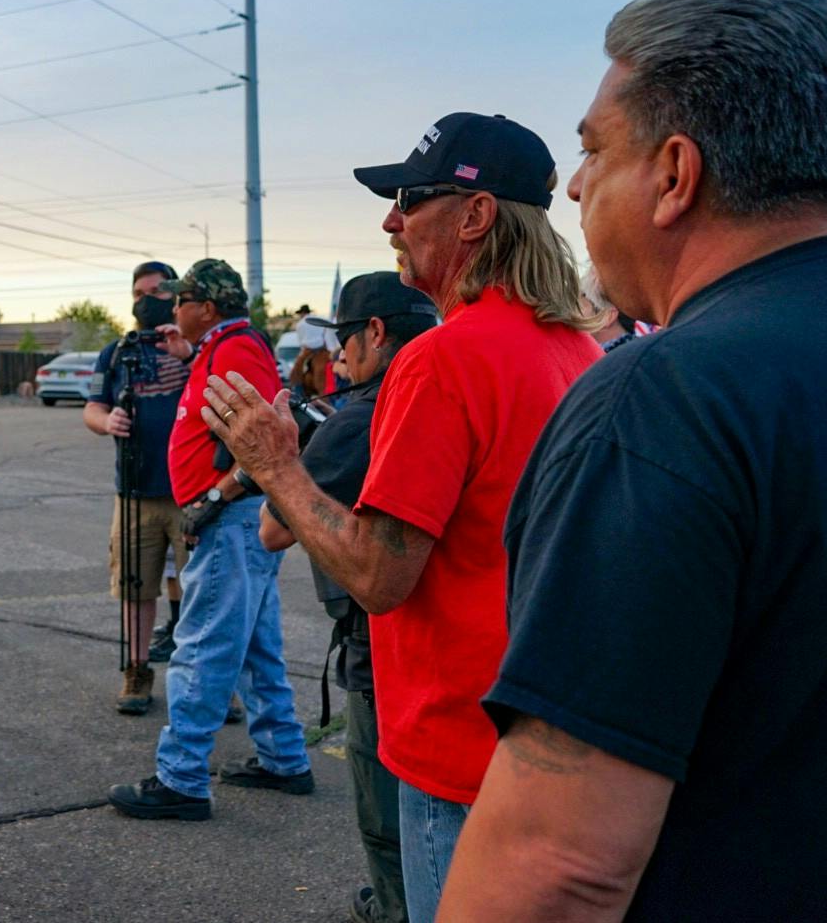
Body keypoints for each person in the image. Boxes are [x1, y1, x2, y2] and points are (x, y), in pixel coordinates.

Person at [438, 0, 827, 921]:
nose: (577, 183)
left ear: (674, 174)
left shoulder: (665, 400)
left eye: (592, 149)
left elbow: (557, 863)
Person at [205, 113, 600, 922]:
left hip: (457, 752)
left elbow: (379, 575)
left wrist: (275, 463)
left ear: (474, 215)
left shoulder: (443, 358)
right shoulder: (577, 349)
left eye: (406, 199)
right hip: (550, 741)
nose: (389, 221)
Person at [260, 272, 437, 923]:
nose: (337, 354)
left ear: (375, 334)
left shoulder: (361, 415)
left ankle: (395, 905)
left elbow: (275, 528)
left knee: (387, 815)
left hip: (380, 648)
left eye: (343, 339)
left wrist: (281, 463)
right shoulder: (438, 393)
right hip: (460, 643)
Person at [108, 258, 312, 821]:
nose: (172, 310)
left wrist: (215, 498)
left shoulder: (238, 348)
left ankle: (182, 778)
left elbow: (268, 440)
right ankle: (284, 758)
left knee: (202, 645)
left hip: (233, 519)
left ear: (208, 307)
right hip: (239, 520)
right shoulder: (222, 346)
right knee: (255, 645)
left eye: (182, 301)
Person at [82, 261, 189, 713]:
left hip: (192, 492)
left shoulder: (193, 348)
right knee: (135, 588)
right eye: (141, 291)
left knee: (200, 592)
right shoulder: (115, 352)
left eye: (159, 291)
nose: (150, 299)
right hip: (135, 493)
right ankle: (137, 670)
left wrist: (188, 354)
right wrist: (107, 421)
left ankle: (210, 681)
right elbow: (91, 408)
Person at [579, 262, 636, 352]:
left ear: (608, 316)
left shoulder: (611, 362)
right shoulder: (644, 352)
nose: (570, 317)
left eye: (579, 307)